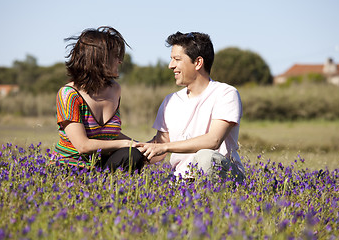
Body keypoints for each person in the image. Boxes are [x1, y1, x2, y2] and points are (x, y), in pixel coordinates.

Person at [137, 31, 245, 182]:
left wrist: (166, 147)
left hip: (224, 177)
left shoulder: (226, 93)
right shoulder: (170, 101)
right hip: (180, 179)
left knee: (206, 157)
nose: (170, 65)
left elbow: (213, 141)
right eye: (171, 59)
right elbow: (159, 148)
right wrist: (126, 150)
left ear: (198, 62)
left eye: (177, 59)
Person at [53, 26, 145, 173]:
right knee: (129, 149)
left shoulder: (115, 89)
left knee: (133, 154)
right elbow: (83, 146)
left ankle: (117, 193)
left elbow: (110, 135)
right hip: (71, 167)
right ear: (98, 58)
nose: (120, 61)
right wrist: (127, 143)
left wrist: (141, 146)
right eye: (115, 56)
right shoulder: (69, 94)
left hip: (101, 165)